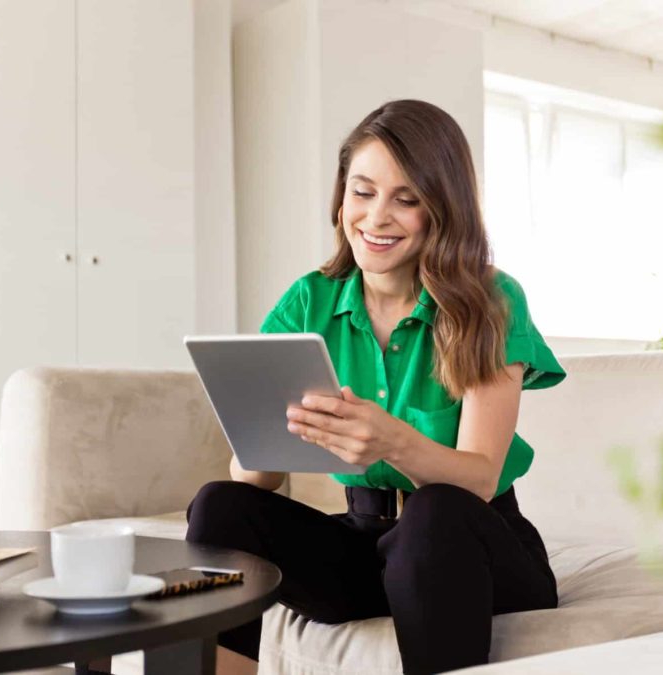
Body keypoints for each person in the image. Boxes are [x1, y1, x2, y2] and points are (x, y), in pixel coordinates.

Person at [185, 99, 567, 675]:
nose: (376, 217)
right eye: (362, 193)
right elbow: (255, 480)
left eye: (406, 199)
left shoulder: (490, 301)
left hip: (472, 550)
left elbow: (481, 476)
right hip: (366, 546)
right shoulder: (309, 301)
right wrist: (262, 438)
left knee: (436, 513)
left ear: (444, 210)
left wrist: (392, 442)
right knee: (218, 506)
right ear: (341, 199)